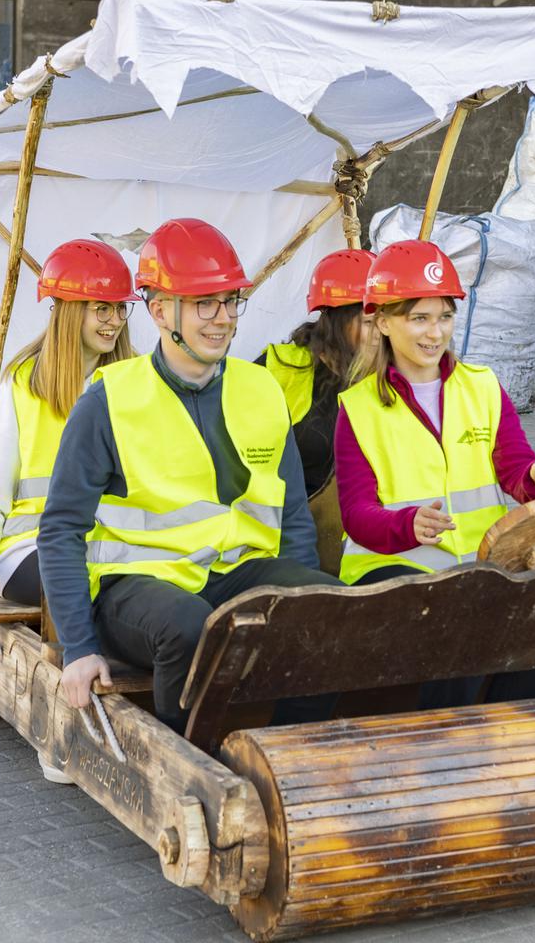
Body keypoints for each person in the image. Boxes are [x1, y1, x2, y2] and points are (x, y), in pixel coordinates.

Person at [36, 218, 342, 735]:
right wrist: (78, 649)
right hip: (137, 587)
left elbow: (291, 516)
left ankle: (289, 749)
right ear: (159, 311)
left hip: (236, 571)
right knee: (186, 627)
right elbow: (60, 530)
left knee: (325, 607)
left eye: (230, 301)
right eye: (205, 303)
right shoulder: (109, 399)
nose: (222, 318)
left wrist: (297, 606)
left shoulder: (261, 389)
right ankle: (191, 760)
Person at [334, 239, 535, 708]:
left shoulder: (482, 387)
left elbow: (515, 471)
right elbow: (356, 514)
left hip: (481, 568)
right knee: (457, 621)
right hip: (388, 570)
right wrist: (407, 525)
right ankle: (448, 744)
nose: (434, 332)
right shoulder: (356, 408)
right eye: (418, 318)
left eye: (444, 316)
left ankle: (510, 734)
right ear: (383, 322)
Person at [0, 238, 137, 607]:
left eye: (120, 308)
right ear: (68, 311)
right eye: (101, 309)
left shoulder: (136, 382)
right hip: (29, 550)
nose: (114, 321)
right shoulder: (22, 384)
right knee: (82, 585)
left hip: (110, 548)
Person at [255, 249, 378, 498]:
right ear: (337, 321)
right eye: (368, 323)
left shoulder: (389, 379)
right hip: (281, 523)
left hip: (358, 526)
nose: (381, 333)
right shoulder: (279, 367)